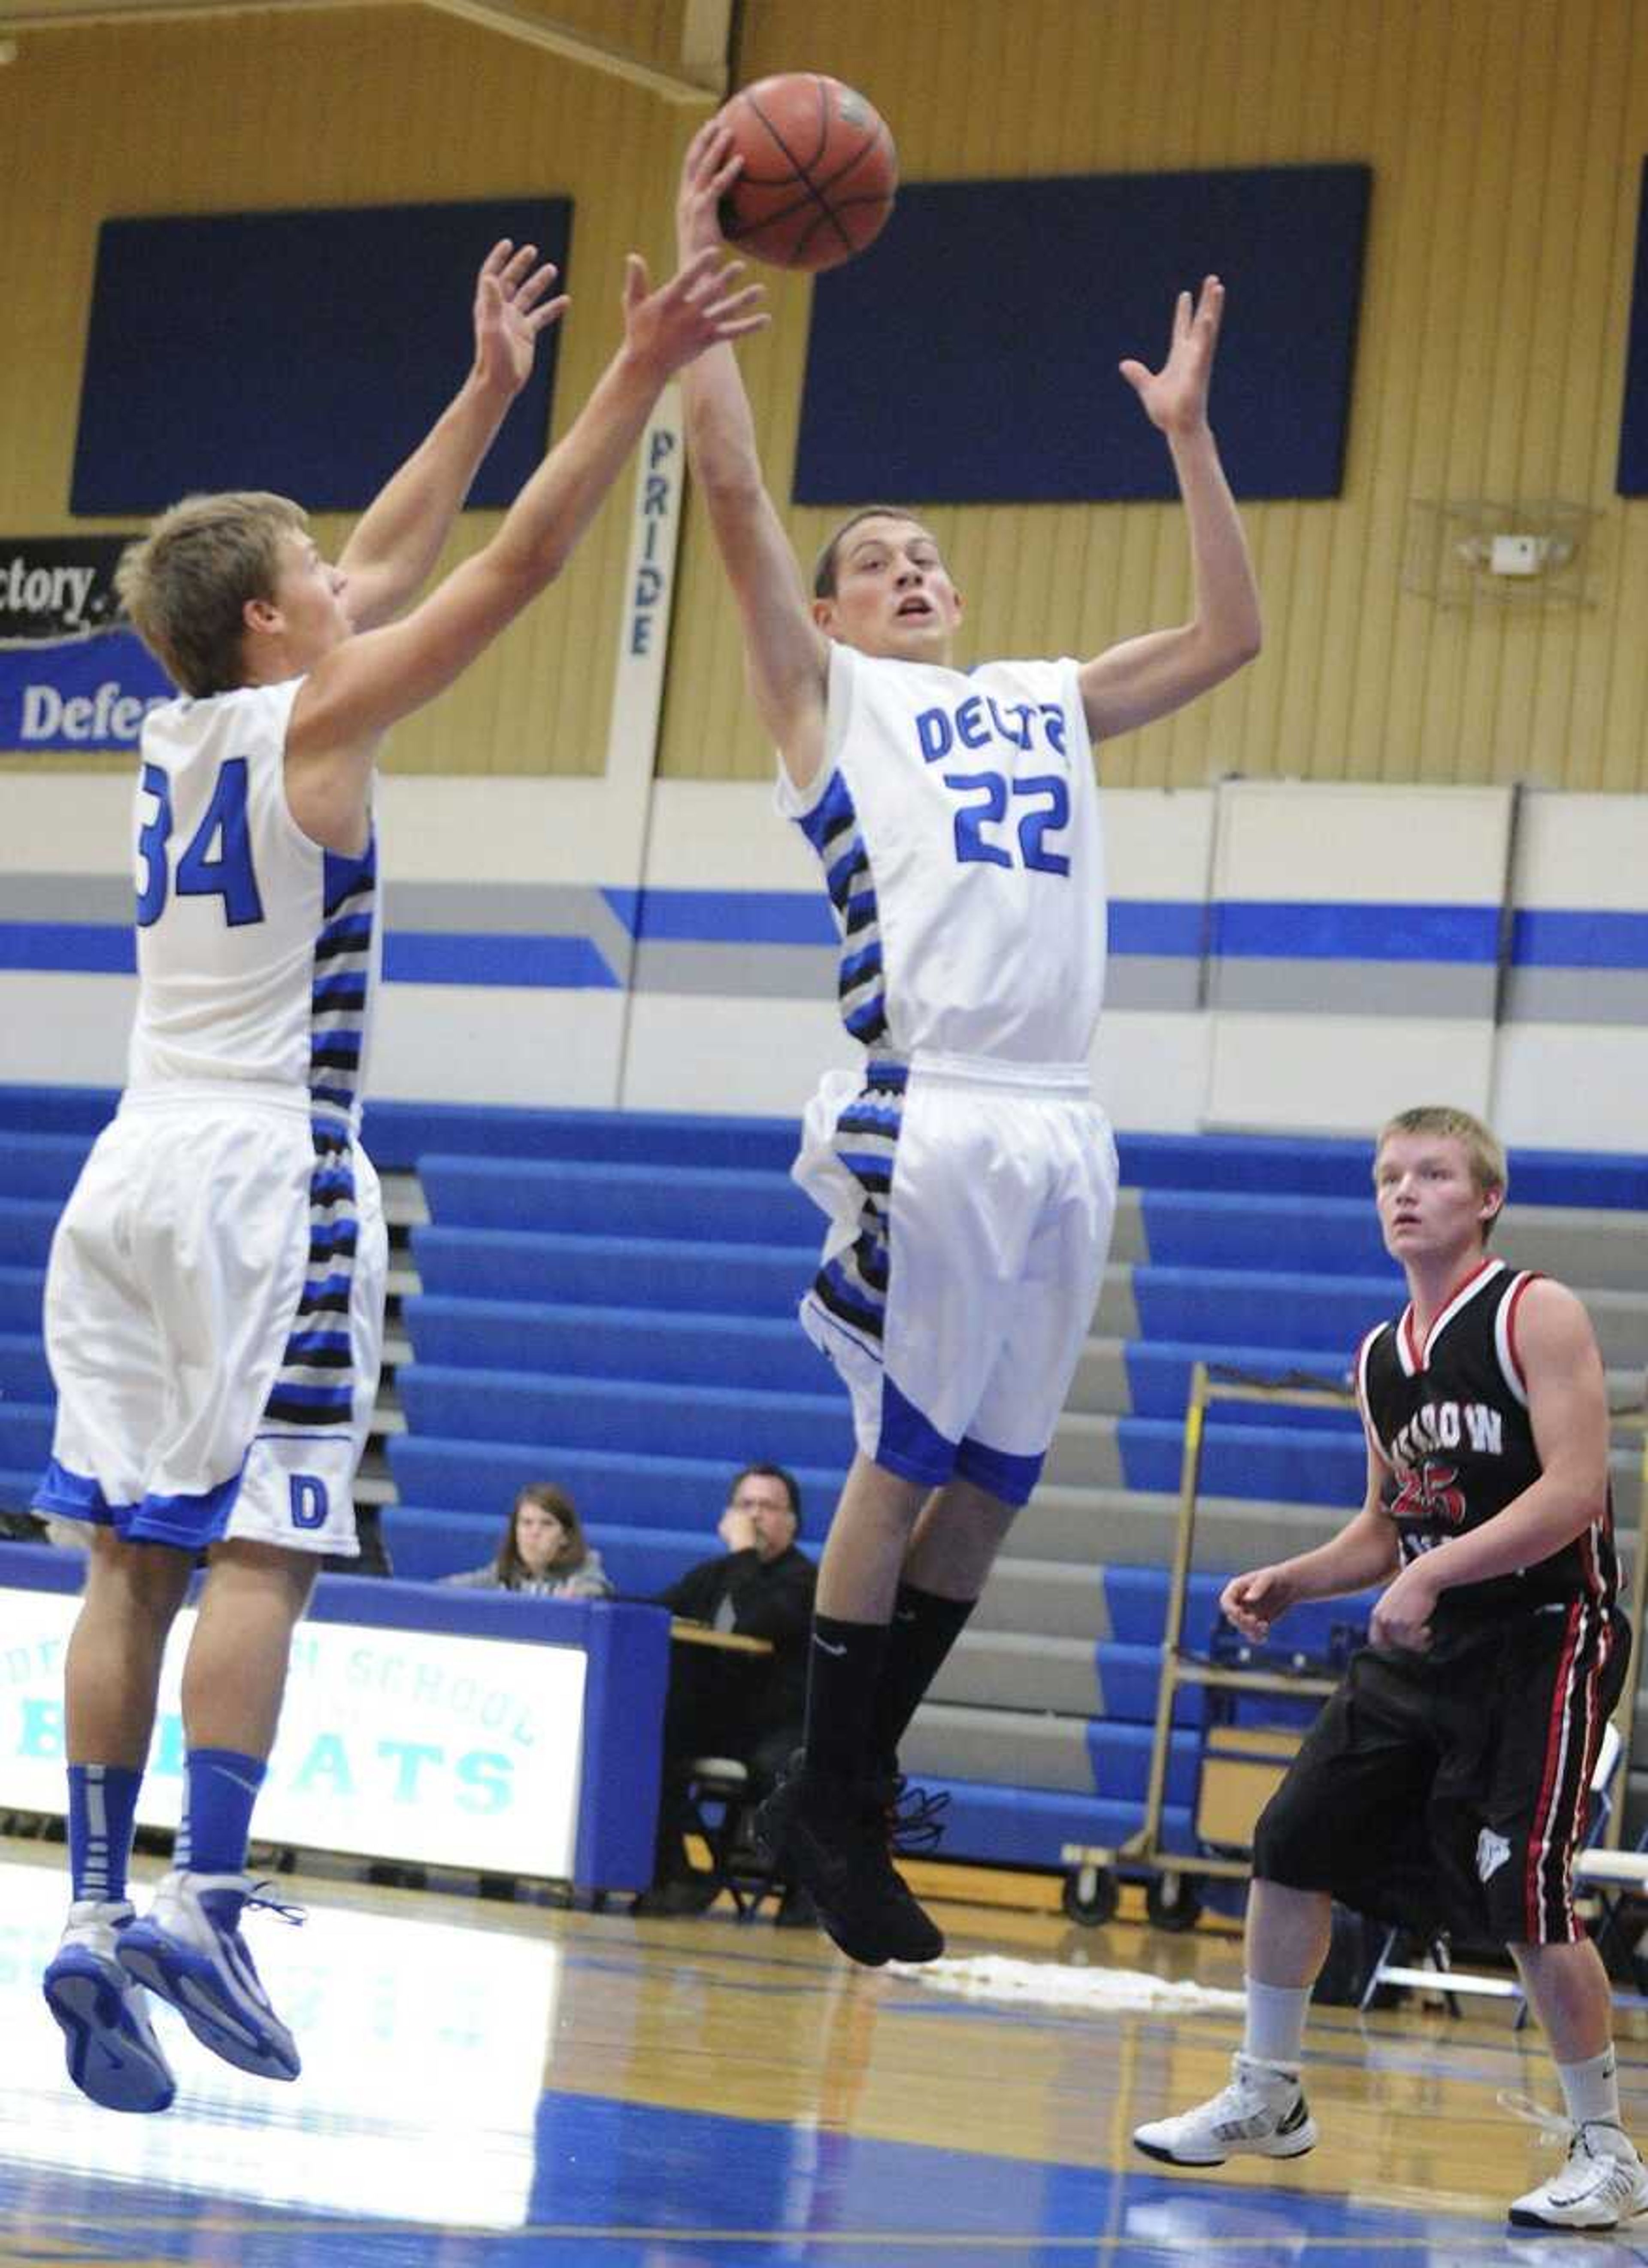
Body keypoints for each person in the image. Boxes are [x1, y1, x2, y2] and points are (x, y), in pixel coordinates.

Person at [33, 224, 764, 2115]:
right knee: (268, 1539)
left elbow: (384, 555)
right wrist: (633, 372)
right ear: (278, 628)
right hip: (271, 1171)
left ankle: (96, 1904)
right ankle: (210, 1892)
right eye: (312, 580)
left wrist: (485, 389)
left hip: (123, 1174)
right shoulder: (322, 722)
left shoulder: (182, 722)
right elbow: (509, 564)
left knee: (127, 1553)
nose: (342, 586)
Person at [672, 124, 1261, 1968]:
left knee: (993, 1491)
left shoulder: (1038, 698)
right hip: (918, 1108)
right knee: (902, 1458)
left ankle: (837, 1788)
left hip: (1058, 1122)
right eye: (881, 559)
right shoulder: (821, 702)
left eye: (930, 555)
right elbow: (742, 510)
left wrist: (1184, 436)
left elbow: (1232, 632)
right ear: (835, 615)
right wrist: (699, 309)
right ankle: (830, 1807)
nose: (912, 569)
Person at [1133, 1105, 1645, 2235]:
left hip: (1546, 1632)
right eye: (1386, 1177)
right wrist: (1300, 1578)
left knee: (1528, 1886)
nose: (1403, 1192)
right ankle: (1269, 2090)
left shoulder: (1534, 1311)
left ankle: (1607, 2149)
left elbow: (1573, 1492)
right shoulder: (1380, 1357)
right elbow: (1386, 1526)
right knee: (1291, 1838)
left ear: (1486, 1198)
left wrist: (1428, 1575)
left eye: (1431, 1173)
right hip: (1428, 1640)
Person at [635, 1463, 817, 1919]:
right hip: (720, 1719)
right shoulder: (716, 1573)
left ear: (792, 1522)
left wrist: (742, 1553)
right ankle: (676, 1872)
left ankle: (804, 1892)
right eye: (746, 1505)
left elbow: (757, 1621)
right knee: (646, 1738)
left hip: (776, 1724)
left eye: (768, 1507)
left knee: (784, 1766)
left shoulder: (805, 1581)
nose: (755, 1516)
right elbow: (657, 1610)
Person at [444, 1481, 612, 1598]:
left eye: (547, 1524)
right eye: (526, 1523)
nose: (535, 1533)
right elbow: (449, 1589)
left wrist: (582, 1597)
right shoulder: (504, 1572)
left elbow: (596, 1588)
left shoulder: (584, 1569)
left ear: (565, 1537)